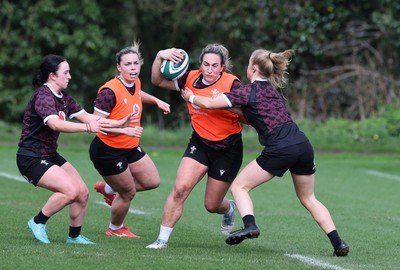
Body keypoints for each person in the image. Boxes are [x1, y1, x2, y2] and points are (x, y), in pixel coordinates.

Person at [181, 48, 350, 256]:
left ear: (252, 68)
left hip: (280, 148)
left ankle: (250, 224)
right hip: (302, 144)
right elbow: (246, 109)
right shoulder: (271, 90)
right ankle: (338, 243)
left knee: (239, 186)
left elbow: (207, 102)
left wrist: (191, 97)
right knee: (309, 198)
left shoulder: (245, 92)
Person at [17, 54, 132, 244]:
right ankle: (38, 222)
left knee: (82, 192)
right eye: (66, 72)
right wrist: (87, 128)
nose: (69, 76)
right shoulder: (43, 96)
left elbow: (89, 117)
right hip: (31, 158)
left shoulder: (64, 98)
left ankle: (74, 237)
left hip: (49, 155)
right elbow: (55, 124)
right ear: (53, 75)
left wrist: (120, 124)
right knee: (70, 191)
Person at [146, 43, 243, 249]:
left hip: (228, 149)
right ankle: (161, 240)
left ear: (222, 67)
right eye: (206, 64)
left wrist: (225, 104)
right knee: (180, 189)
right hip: (199, 143)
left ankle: (229, 209)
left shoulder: (232, 84)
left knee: (212, 205)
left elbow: (248, 117)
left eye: (214, 66)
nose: (209, 70)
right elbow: (157, 80)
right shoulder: (189, 78)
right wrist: (159, 55)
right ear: (200, 64)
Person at [89, 42, 171, 238]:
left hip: (129, 145)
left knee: (152, 181)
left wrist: (157, 101)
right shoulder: (109, 92)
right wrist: (125, 131)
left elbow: (137, 93)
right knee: (128, 193)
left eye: (136, 63)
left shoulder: (135, 82)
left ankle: (109, 189)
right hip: (107, 149)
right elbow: (96, 123)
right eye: (128, 64)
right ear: (119, 66)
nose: (133, 68)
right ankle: (115, 228)